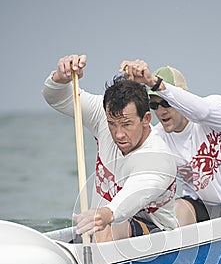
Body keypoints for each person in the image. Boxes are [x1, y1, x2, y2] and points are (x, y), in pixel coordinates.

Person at [42, 54, 177, 242]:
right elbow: (56, 98)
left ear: (146, 119)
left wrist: (105, 215)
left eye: (127, 124)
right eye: (112, 124)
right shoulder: (104, 113)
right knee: (100, 227)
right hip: (103, 224)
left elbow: (131, 197)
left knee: (108, 225)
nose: (118, 134)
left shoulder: (158, 158)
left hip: (157, 235)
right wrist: (61, 77)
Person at [119, 60, 221, 226]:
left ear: (183, 95)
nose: (161, 111)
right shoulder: (158, 137)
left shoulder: (218, 111)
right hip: (201, 208)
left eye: (166, 103)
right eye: (154, 105)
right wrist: (129, 88)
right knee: (175, 210)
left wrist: (152, 82)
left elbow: (201, 111)